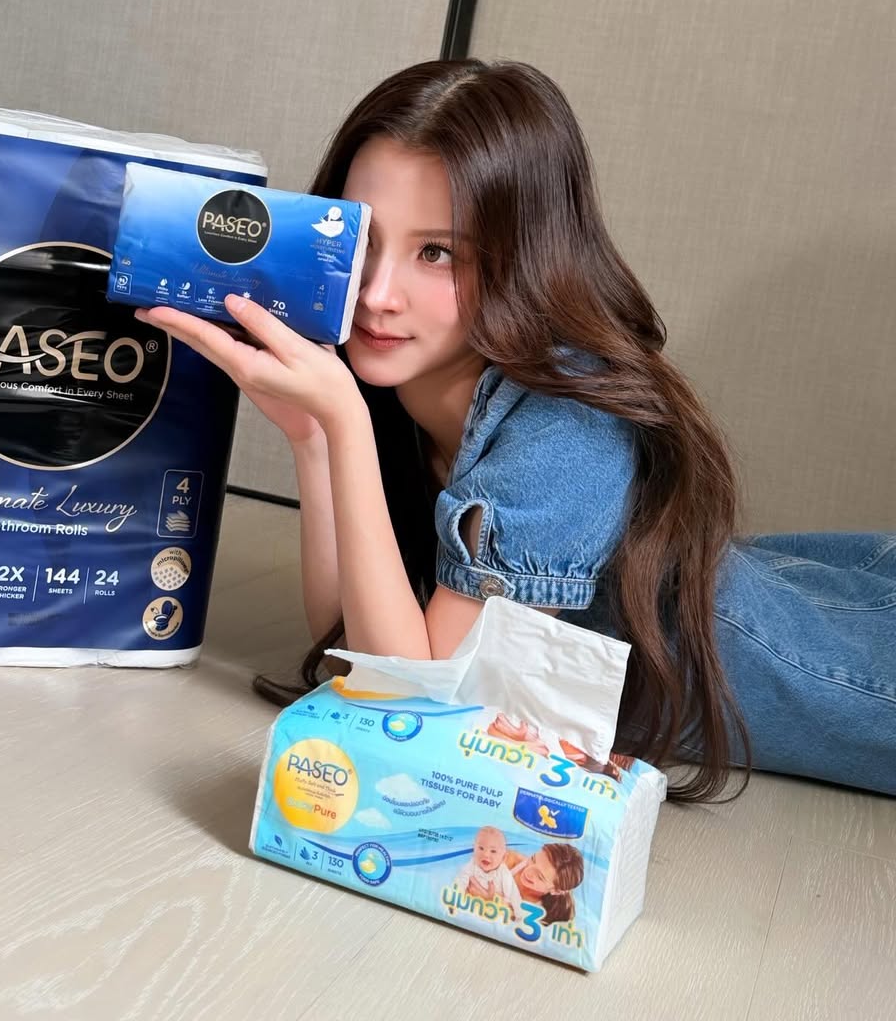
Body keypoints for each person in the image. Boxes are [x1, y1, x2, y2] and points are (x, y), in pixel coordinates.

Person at [137, 59, 896, 800]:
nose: (377, 293)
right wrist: (314, 438)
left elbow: (414, 706)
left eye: (437, 252)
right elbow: (351, 644)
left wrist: (344, 424)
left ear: (523, 258)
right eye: (361, 241)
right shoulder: (411, 386)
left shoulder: (568, 430)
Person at [505, 842, 585, 926]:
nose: (528, 872)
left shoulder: (540, 915)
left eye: (539, 876)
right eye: (533, 859)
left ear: (556, 891)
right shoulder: (510, 860)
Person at [453, 826, 523, 916]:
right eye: (481, 848)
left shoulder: (504, 873)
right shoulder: (471, 865)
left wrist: (519, 915)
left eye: (493, 851)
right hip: (474, 905)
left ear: (503, 857)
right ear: (473, 849)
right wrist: (455, 901)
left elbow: (514, 895)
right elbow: (460, 882)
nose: (485, 854)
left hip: (495, 910)